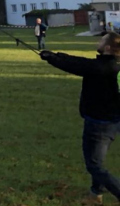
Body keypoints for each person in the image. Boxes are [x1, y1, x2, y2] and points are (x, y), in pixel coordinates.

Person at [40, 32, 120, 204]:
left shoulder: (101, 68)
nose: (98, 41)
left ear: (107, 48)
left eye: (102, 40)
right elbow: (81, 62)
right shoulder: (113, 65)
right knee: (97, 162)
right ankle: (95, 194)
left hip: (99, 124)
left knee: (94, 165)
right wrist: (57, 55)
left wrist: (52, 58)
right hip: (113, 121)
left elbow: (77, 66)